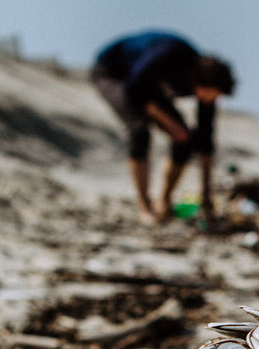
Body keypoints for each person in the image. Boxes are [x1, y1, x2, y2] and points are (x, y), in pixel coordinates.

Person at [91, 31, 235, 224]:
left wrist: (207, 198)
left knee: (184, 139)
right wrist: (170, 124)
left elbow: (205, 141)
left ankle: (164, 202)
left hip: (147, 86)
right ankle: (145, 206)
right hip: (113, 74)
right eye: (213, 95)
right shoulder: (170, 54)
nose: (213, 100)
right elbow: (134, 89)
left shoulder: (205, 88)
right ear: (202, 84)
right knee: (139, 129)